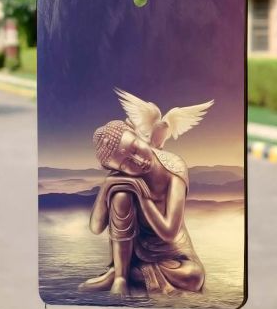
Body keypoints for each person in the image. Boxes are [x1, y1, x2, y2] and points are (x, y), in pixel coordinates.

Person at [80, 119, 205, 297]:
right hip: (134, 252)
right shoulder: (122, 178)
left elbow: (169, 231)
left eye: (136, 148)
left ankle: (127, 273)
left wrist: (143, 196)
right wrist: (107, 185)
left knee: (193, 277)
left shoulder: (173, 166)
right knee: (121, 196)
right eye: (126, 164)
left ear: (137, 133)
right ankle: (121, 277)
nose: (138, 161)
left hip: (174, 252)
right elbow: (96, 228)